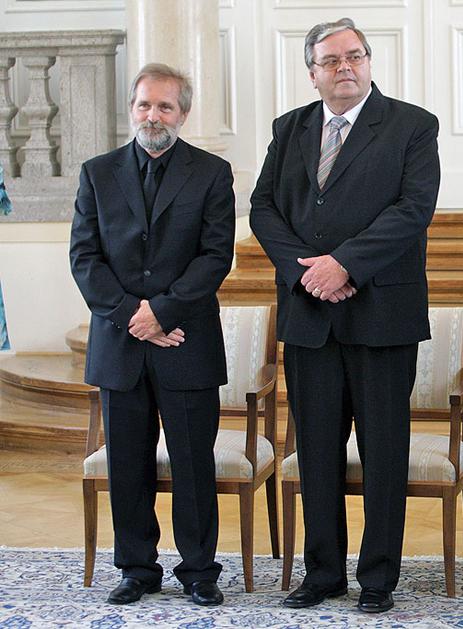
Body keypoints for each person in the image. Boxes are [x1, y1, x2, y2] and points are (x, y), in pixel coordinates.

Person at [249, 18, 439, 614]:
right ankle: (323, 573)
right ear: (313, 73)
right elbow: (262, 209)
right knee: (317, 452)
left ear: (369, 62)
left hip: (382, 314)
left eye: (354, 56)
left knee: (384, 452)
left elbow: (413, 209)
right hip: (309, 314)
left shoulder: (412, 125)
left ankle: (378, 577)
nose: (345, 67)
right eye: (331, 60)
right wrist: (308, 272)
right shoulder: (290, 128)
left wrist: (345, 265)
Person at [70, 63, 235, 606]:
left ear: (182, 113)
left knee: (193, 464)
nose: (153, 115)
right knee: (127, 466)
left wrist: (161, 313)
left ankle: (199, 571)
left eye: (165, 106)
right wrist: (132, 316)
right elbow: (84, 257)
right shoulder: (97, 173)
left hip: (186, 341)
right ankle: (137, 569)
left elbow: (215, 256)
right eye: (145, 104)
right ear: (132, 109)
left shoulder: (212, 173)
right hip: (119, 344)